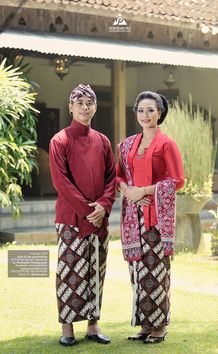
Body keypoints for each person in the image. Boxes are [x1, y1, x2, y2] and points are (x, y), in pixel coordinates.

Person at [49, 84, 116, 347]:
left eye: (90, 102)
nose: (85, 107)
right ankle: (67, 328)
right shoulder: (60, 140)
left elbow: (111, 177)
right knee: (69, 272)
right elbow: (61, 182)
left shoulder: (103, 141)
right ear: (70, 107)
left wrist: (103, 205)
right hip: (71, 219)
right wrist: (90, 211)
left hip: (99, 218)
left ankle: (93, 325)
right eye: (80, 102)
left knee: (96, 271)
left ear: (95, 107)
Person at [116, 91, 184, 344]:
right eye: (141, 110)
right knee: (138, 271)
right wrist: (129, 192)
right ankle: (145, 325)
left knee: (156, 270)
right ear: (136, 113)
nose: (145, 115)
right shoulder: (127, 145)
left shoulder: (167, 144)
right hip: (133, 217)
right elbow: (119, 176)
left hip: (156, 217)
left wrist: (145, 190)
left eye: (151, 110)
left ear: (160, 113)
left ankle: (160, 326)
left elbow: (177, 181)